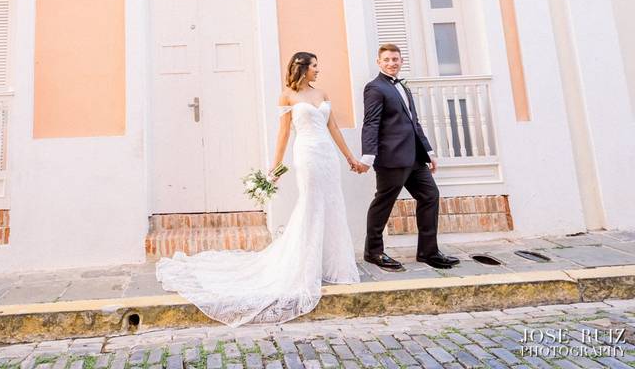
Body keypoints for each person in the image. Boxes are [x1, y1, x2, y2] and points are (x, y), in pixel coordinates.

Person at [155, 51, 367, 327]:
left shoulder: (322, 92)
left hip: (327, 155)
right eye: (315, 66)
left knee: (333, 204)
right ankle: (303, 267)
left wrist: (349, 157)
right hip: (307, 155)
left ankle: (334, 265)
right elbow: (283, 134)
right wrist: (275, 168)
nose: (318, 70)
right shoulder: (287, 96)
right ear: (302, 68)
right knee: (311, 205)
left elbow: (334, 127)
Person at [361, 43, 460, 271]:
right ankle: (373, 252)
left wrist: (429, 152)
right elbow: (371, 123)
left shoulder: (403, 87)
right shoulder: (374, 88)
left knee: (430, 196)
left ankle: (428, 251)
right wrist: (368, 155)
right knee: (383, 204)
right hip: (391, 159)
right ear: (379, 62)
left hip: (415, 157)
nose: (391, 63)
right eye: (386, 59)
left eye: (395, 59)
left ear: (401, 61)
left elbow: (414, 123)